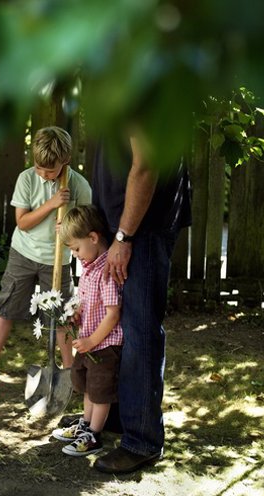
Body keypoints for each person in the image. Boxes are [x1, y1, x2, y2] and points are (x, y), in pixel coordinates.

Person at [90, 135, 191, 474]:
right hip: (125, 228)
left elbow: (146, 164)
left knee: (139, 331)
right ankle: (120, 415)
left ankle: (142, 440)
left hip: (140, 230)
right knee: (119, 326)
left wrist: (124, 236)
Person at [0, 126, 92, 383]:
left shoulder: (79, 186)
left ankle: (70, 373)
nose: (43, 173)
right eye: (39, 166)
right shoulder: (27, 179)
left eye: (50, 170)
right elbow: (22, 222)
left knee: (62, 316)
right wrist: (52, 204)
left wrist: (68, 227)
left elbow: (86, 226)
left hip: (57, 260)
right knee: (7, 306)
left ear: (65, 161)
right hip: (23, 253)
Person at [51, 205, 123, 456]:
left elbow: (113, 313)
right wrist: (76, 315)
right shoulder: (90, 267)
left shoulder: (106, 272)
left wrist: (92, 340)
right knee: (89, 386)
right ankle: (86, 423)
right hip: (89, 341)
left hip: (104, 345)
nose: (76, 254)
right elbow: (89, 302)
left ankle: (94, 435)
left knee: (100, 391)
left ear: (93, 238)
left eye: (76, 248)